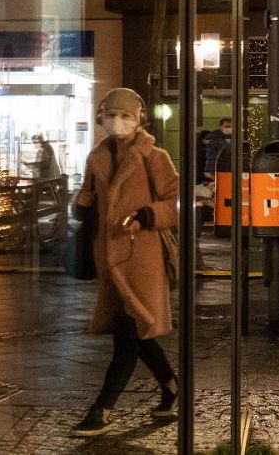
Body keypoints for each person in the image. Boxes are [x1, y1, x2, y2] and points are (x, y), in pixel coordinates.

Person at [70, 88, 180, 438]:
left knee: (128, 338)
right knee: (138, 333)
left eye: (126, 116)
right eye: (112, 115)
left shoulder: (155, 157)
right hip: (110, 258)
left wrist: (146, 215)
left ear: (139, 120)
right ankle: (171, 386)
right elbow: (88, 204)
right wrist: (80, 205)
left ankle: (101, 411)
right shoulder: (96, 157)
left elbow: (174, 202)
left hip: (142, 258)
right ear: (102, 116)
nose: (118, 122)